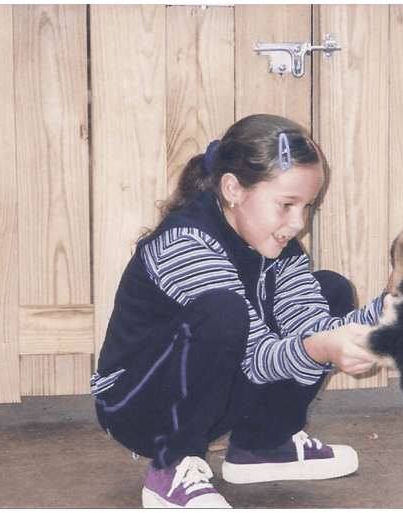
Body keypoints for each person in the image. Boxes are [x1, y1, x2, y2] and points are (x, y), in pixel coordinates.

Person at [91, 114, 385, 508]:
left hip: (213, 395)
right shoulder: (186, 242)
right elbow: (258, 357)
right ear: (233, 189)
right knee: (224, 311)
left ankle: (263, 444)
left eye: (307, 207)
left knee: (328, 287)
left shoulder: (281, 250)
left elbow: (314, 327)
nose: (298, 224)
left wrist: (396, 306)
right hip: (137, 406)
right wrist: (321, 348)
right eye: (285, 205)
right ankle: (170, 466)